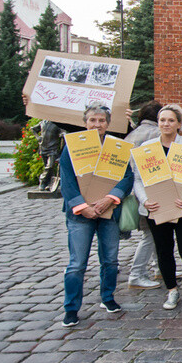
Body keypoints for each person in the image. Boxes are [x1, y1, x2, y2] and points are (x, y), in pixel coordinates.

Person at [132, 104, 182, 319]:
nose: (166, 124)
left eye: (170, 120)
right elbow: (138, 179)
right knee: (164, 251)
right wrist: (145, 200)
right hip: (156, 208)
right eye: (162, 120)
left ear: (179, 124)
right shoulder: (147, 147)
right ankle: (172, 291)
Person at [59, 103, 134, 327]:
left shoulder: (116, 148)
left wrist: (110, 199)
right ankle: (71, 308)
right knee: (77, 263)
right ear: (85, 123)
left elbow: (127, 177)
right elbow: (67, 181)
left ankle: (108, 298)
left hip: (108, 210)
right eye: (93, 120)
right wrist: (83, 207)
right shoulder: (72, 147)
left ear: (108, 124)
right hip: (80, 213)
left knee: (110, 259)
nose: (97, 124)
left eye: (101, 121)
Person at [123, 100, 163, 289]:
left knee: (152, 233)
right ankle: (136, 274)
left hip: (131, 191)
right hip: (149, 191)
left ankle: (159, 268)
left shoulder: (132, 134)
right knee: (149, 235)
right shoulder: (157, 134)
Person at [32, 120, 64, 191]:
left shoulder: (57, 124)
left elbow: (63, 132)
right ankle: (48, 184)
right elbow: (33, 129)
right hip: (43, 148)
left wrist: (62, 134)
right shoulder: (42, 122)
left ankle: (42, 181)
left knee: (50, 166)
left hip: (52, 149)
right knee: (48, 168)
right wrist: (37, 137)